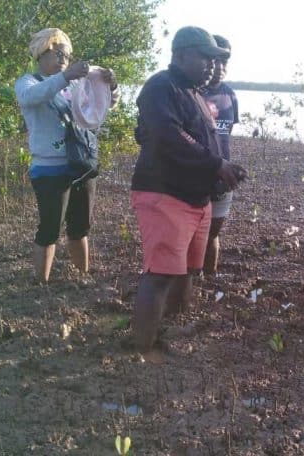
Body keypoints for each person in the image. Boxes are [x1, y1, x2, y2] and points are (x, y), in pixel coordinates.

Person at [130, 26, 245, 360]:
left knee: (188, 271)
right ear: (180, 55)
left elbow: (200, 142)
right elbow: (168, 135)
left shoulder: (194, 93)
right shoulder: (160, 87)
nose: (212, 65)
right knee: (161, 275)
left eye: (216, 59)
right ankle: (140, 353)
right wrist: (215, 163)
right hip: (165, 195)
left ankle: (167, 333)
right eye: (205, 57)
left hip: (196, 198)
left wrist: (224, 167)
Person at [15, 28, 118, 283]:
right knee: (49, 229)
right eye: (57, 52)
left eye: (67, 55)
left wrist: (111, 87)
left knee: (80, 227)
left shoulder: (73, 84)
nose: (63, 59)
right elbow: (32, 97)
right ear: (41, 53)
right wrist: (66, 77)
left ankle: (82, 277)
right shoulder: (27, 82)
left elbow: (98, 106)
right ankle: (41, 284)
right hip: (49, 169)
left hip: (80, 165)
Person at [199, 34, 239, 276]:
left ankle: (209, 278)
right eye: (215, 61)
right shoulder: (193, 92)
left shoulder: (230, 94)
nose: (220, 68)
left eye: (225, 62)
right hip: (196, 174)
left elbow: (227, 133)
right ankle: (191, 280)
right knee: (195, 232)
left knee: (214, 233)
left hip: (223, 176)